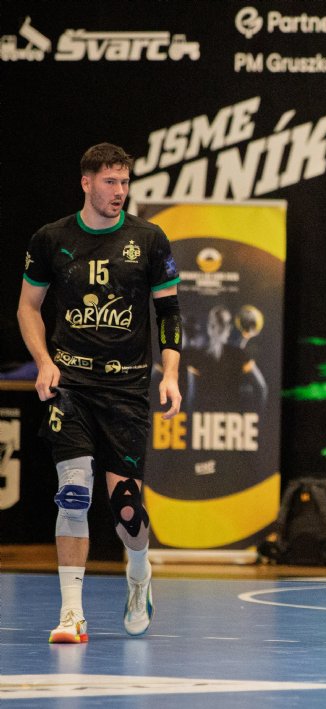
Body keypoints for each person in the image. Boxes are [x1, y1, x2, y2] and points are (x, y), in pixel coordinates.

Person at [17, 142, 183, 643]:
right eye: (110, 182)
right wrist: (44, 363)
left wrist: (170, 374)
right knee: (73, 493)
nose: (119, 191)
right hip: (71, 384)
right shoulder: (52, 239)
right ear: (86, 182)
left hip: (127, 387)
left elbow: (169, 313)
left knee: (127, 510)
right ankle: (72, 613)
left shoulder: (148, 239)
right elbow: (28, 308)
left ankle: (139, 574)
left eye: (125, 182)